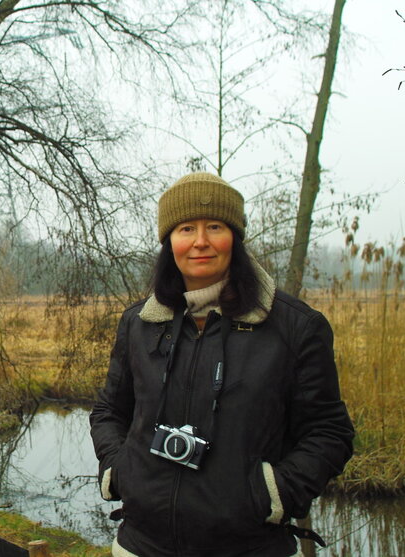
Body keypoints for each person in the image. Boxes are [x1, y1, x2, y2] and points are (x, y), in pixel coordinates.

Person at [90, 172, 354, 557]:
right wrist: (120, 470)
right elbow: (110, 411)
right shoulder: (141, 324)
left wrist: (272, 494)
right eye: (185, 228)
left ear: (235, 237)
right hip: (140, 546)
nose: (200, 241)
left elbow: (330, 432)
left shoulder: (295, 327)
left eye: (214, 226)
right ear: (169, 242)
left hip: (251, 548)